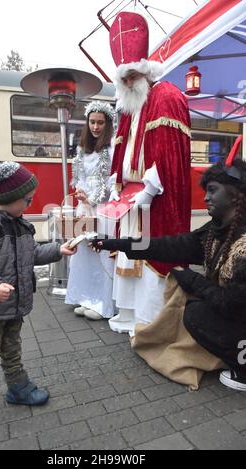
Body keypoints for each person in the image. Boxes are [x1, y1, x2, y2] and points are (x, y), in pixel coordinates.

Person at [91, 156, 246, 391]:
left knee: (196, 314)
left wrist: (194, 280)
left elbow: (231, 305)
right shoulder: (216, 231)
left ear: (235, 194)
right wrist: (117, 244)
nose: (205, 197)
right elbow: (170, 246)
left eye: (212, 190)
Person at [0, 158, 76, 430]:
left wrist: (58, 250)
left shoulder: (17, 222)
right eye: (28, 200)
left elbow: (30, 254)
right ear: (9, 199)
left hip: (14, 306)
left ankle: (17, 388)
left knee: (12, 350)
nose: (30, 204)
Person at [106, 12, 191, 334]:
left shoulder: (167, 96)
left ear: (144, 71)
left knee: (152, 255)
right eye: (123, 78)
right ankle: (128, 313)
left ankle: (151, 320)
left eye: (132, 75)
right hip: (129, 198)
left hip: (154, 196)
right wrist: (116, 186)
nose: (128, 82)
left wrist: (149, 190)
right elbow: (120, 152)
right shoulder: (129, 108)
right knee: (129, 256)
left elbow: (170, 157)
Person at [65, 101, 116, 320]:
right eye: (92, 122)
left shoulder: (112, 148)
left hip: (103, 208)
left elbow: (112, 182)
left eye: (100, 122)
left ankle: (102, 303)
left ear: (108, 124)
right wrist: (81, 196)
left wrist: (92, 199)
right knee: (83, 253)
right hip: (84, 207)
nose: (96, 126)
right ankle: (86, 297)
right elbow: (80, 179)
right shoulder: (81, 150)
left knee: (100, 253)